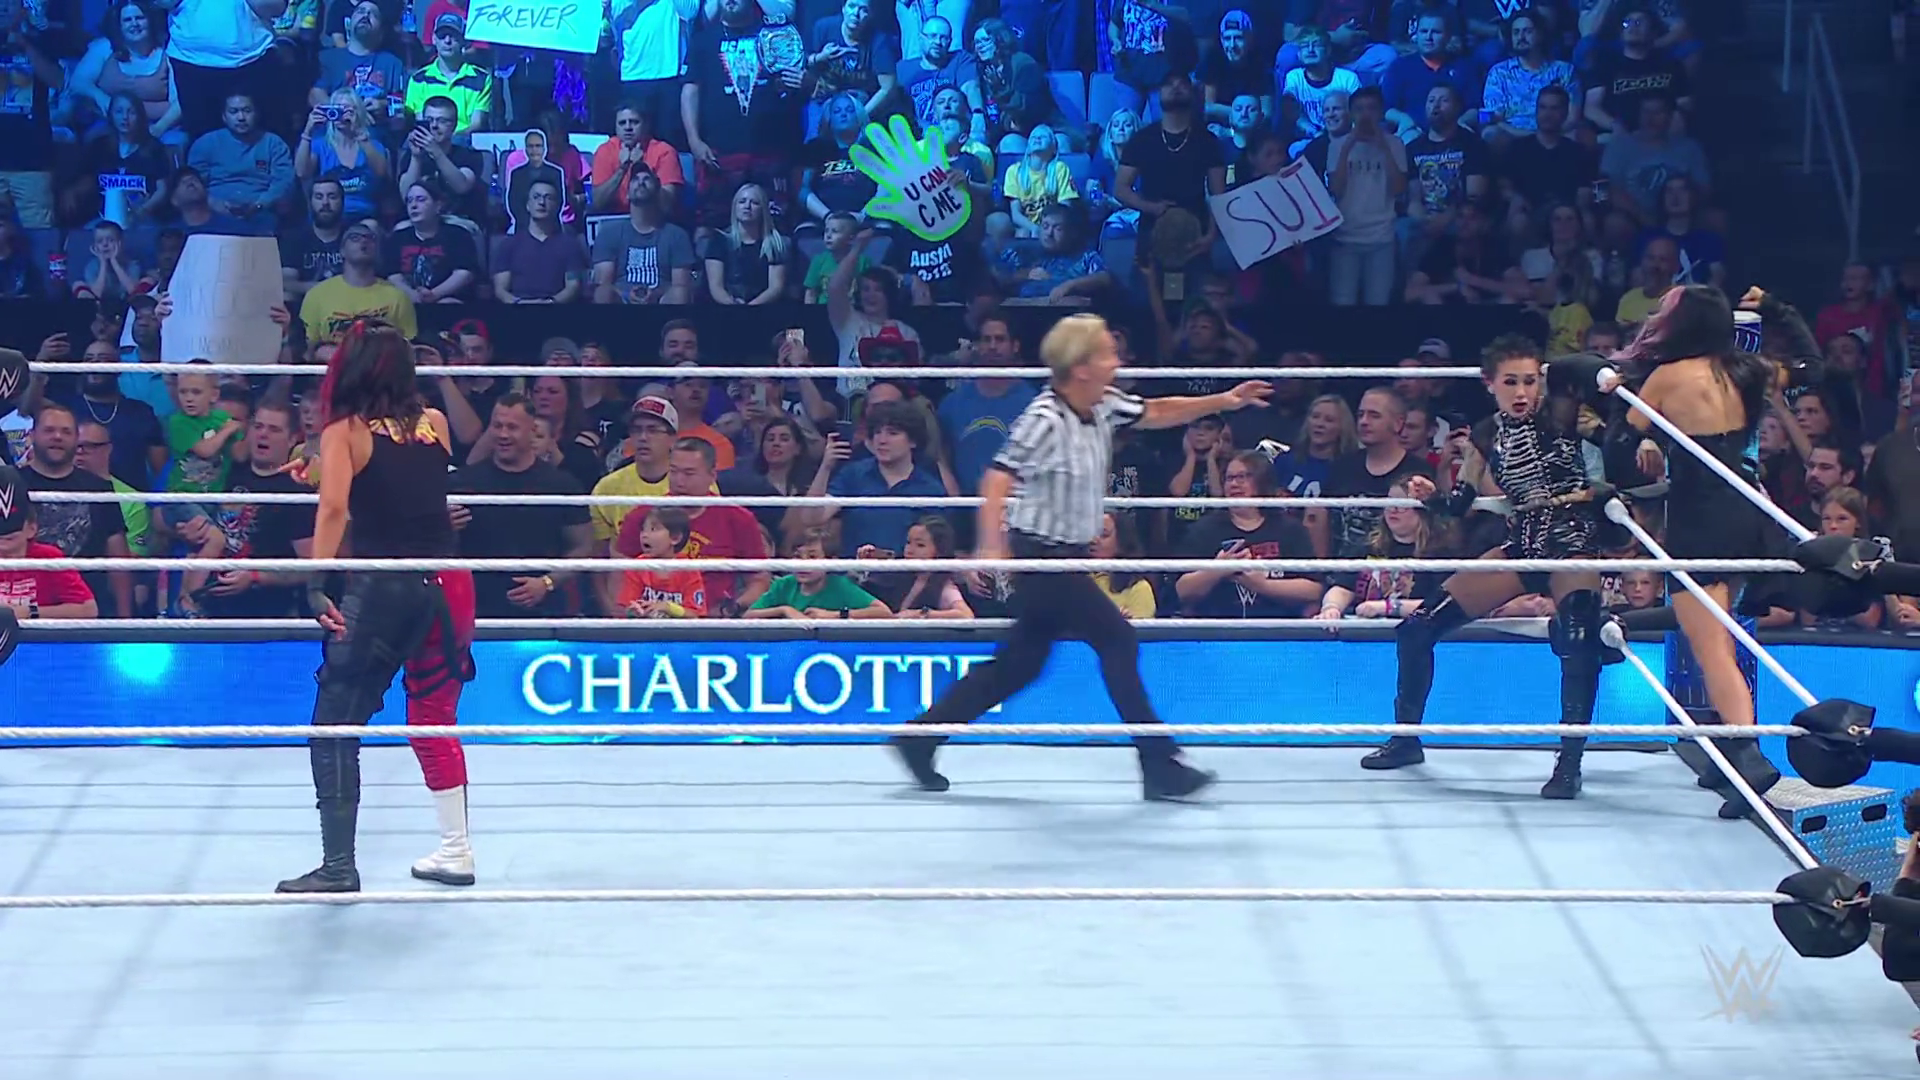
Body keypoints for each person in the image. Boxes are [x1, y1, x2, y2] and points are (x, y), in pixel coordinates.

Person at [891, 313, 1271, 800]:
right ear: (1082, 366)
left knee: (1019, 665)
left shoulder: (1103, 403)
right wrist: (991, 545)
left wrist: (1224, 400)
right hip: (1041, 559)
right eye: (1108, 353)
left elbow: (1156, 410)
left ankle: (920, 737)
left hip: (1064, 557)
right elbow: (997, 478)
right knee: (1117, 638)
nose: (1117, 361)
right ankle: (1160, 763)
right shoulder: (1044, 418)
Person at [1595, 285, 1824, 816]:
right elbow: (1813, 367)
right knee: (1717, 635)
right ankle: (1734, 752)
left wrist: (1636, 430)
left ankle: (1748, 760)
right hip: (1746, 510)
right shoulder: (1751, 371)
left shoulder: (1667, 377)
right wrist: (1778, 308)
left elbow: (1617, 452)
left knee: (1711, 647)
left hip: (1698, 516)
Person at [1362, 335, 1624, 799]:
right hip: (1520, 543)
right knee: (1416, 629)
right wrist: (1432, 496)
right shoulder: (1485, 434)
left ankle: (1569, 765)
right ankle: (1405, 739)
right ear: (1490, 384)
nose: (1522, 392)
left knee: (1578, 642)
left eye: (1530, 380)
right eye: (1510, 382)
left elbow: (1605, 407)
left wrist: (1632, 452)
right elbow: (1459, 504)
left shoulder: (1562, 411)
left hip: (1571, 540)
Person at [275, 321, 477, 895]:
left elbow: (336, 508)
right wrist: (320, 467)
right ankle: (456, 850)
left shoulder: (345, 430)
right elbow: (399, 481)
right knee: (432, 718)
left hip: (386, 586)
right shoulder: (435, 424)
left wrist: (316, 582)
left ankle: (338, 866)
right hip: (448, 585)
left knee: (335, 725)